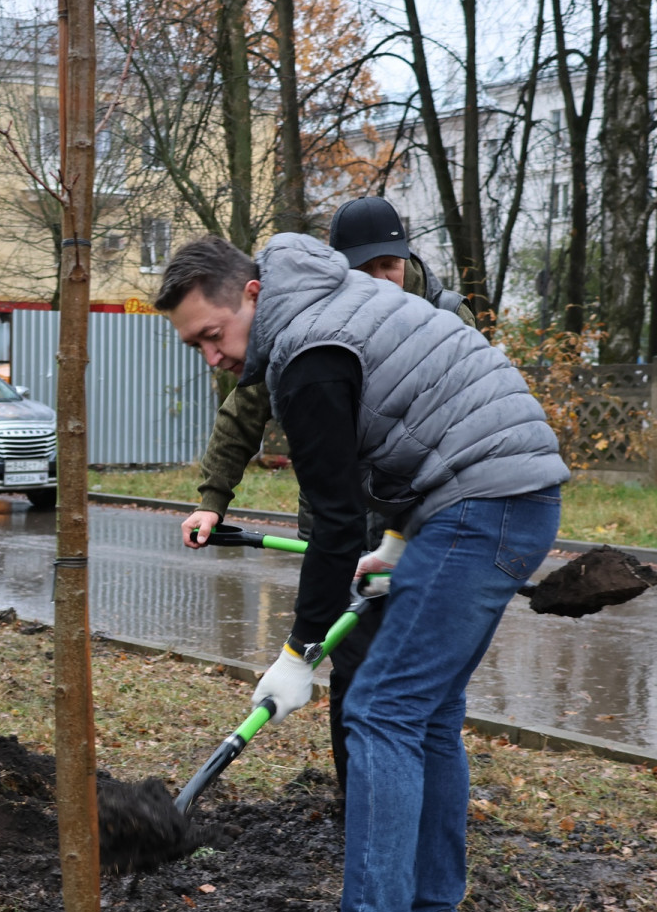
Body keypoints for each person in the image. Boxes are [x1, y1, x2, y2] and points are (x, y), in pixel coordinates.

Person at [156, 233, 567, 912]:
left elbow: (334, 524)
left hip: (484, 502)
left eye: (212, 336)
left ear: (249, 295)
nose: (211, 357)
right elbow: (420, 417)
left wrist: (297, 655)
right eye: (194, 347)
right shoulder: (331, 300)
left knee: (378, 710)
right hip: (504, 494)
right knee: (428, 713)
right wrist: (402, 542)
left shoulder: (305, 353)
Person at [182, 197, 474, 795]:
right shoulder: (312, 323)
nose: (377, 280)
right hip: (340, 522)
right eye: (362, 269)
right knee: (355, 667)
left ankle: (414, 809)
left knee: (422, 683)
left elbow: (473, 417)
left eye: (388, 266)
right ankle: (359, 801)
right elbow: (245, 409)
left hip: (423, 525)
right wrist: (214, 497)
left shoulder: (443, 316)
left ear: (406, 259)